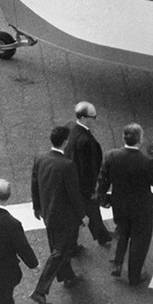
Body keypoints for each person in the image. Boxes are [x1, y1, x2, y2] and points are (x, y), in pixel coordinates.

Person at [95, 123, 153, 285]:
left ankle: (117, 262)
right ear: (140, 139)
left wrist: (102, 197)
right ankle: (135, 276)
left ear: (123, 138)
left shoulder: (111, 156)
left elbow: (103, 179)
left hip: (119, 203)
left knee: (121, 230)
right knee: (139, 241)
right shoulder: (146, 162)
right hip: (141, 207)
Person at [29, 124, 86, 304]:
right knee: (59, 251)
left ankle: (68, 276)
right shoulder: (68, 165)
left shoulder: (40, 158)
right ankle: (40, 291)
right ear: (65, 142)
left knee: (58, 247)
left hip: (48, 213)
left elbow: (35, 183)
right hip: (65, 216)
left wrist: (37, 207)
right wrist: (82, 215)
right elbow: (74, 194)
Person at [64, 101, 112, 252]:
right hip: (83, 186)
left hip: (71, 179)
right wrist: (93, 189)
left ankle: (102, 236)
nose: (95, 120)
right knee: (83, 212)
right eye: (93, 117)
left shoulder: (70, 127)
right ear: (85, 118)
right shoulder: (87, 141)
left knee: (90, 211)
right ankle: (72, 247)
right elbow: (90, 169)